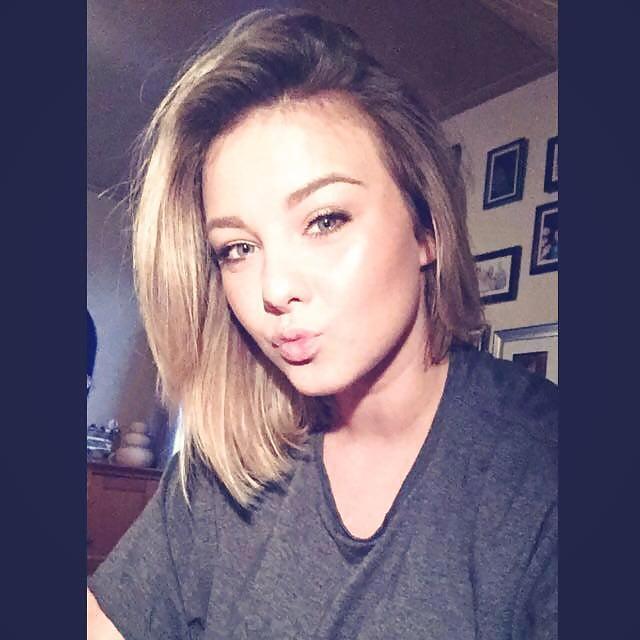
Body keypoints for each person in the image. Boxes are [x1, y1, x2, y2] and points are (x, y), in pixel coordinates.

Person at [87, 9, 557, 639]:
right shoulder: (227, 463)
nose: (274, 289)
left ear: (426, 228)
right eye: (237, 249)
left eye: (325, 220)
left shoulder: (542, 472)